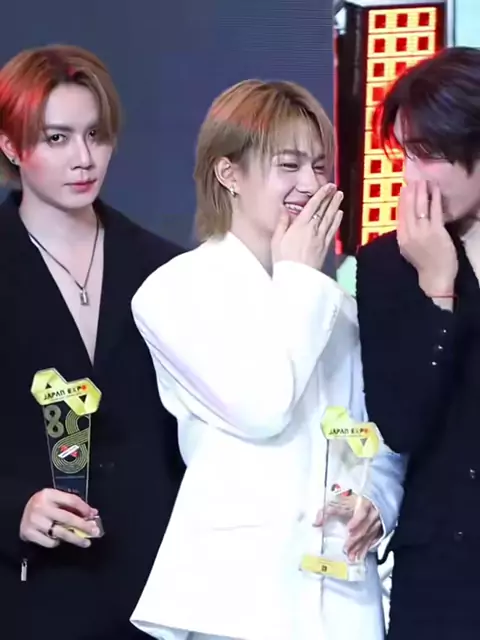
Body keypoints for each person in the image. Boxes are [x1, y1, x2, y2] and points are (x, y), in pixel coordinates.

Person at [129, 79, 405, 640]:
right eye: (289, 165)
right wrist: (299, 275)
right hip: (240, 601)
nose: (311, 184)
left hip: (342, 602)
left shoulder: (338, 307)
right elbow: (261, 407)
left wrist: (378, 499)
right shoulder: (175, 291)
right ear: (228, 173)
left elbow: (379, 431)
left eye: (320, 166)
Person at [0, 44, 184, 639]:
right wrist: (14, 509)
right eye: (57, 138)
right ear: (10, 145)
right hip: (31, 589)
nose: (84, 158)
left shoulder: (163, 269)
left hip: (154, 587)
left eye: (95, 135)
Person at [356, 46, 480, 640]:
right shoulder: (386, 265)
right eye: (407, 153)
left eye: (430, 153)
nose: (413, 175)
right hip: (443, 577)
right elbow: (400, 425)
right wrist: (437, 288)